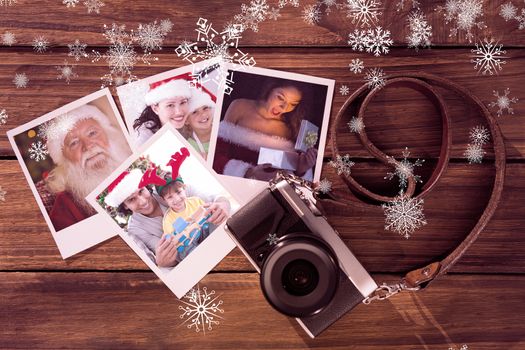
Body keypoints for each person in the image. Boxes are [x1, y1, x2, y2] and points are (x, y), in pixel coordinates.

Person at [104, 168, 229, 268]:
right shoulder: (136, 228)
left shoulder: (167, 188)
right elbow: (171, 255)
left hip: (207, 231)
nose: (142, 202)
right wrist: (164, 262)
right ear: (124, 206)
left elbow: (216, 198)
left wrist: (222, 205)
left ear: (146, 187)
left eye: (141, 191)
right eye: (131, 199)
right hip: (188, 247)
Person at [44, 104, 131, 231]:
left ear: (108, 134)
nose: (88, 146)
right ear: (65, 159)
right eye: (74, 143)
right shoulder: (65, 208)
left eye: (92, 133)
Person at [213, 79, 318, 182]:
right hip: (227, 184)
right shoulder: (239, 106)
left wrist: (301, 171)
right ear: (270, 89)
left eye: (293, 104)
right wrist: (248, 173)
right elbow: (214, 156)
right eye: (280, 98)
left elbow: (294, 181)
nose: (284, 107)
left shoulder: (295, 128)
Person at [156, 175, 213, 263]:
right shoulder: (167, 219)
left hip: (204, 230)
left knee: (212, 219)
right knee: (182, 251)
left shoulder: (195, 201)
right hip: (188, 242)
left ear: (184, 188)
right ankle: (203, 260)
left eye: (179, 192)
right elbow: (173, 240)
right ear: (164, 200)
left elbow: (207, 212)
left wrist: (209, 210)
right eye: (170, 197)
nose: (177, 199)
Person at [133, 78, 193, 145]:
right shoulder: (145, 140)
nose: (179, 111)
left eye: (183, 102)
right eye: (170, 105)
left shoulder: (193, 127)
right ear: (155, 109)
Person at [184, 89, 215, 159]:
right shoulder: (188, 148)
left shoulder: (222, 131)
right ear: (186, 121)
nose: (203, 114)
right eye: (194, 112)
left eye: (205, 108)